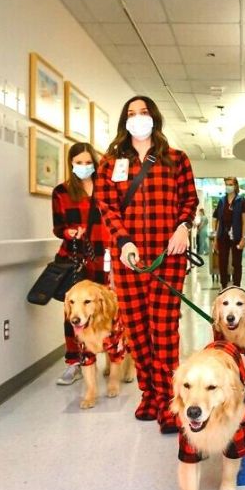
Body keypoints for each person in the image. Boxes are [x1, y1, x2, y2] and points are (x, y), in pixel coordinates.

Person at [94, 95, 198, 434]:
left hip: (167, 255)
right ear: (125, 121)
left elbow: (189, 200)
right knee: (137, 330)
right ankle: (149, 394)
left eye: (144, 113)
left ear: (154, 117)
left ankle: (170, 401)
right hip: (129, 258)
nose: (138, 118)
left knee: (164, 330)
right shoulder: (110, 163)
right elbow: (106, 206)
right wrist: (123, 240)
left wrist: (183, 226)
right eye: (132, 114)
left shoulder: (176, 159)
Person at [51, 142, 112, 386]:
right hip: (74, 259)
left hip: (102, 258)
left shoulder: (106, 189)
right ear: (71, 164)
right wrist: (70, 232)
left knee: (104, 310)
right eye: (79, 163)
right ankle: (74, 362)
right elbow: (58, 227)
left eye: (88, 163)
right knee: (73, 314)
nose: (84, 167)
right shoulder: (62, 192)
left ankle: (110, 356)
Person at [213, 177, 245, 288]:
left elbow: (244, 220)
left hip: (237, 235)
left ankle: (237, 285)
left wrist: (243, 237)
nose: (228, 186)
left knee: (237, 262)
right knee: (222, 261)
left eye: (230, 184)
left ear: (235, 186)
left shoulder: (241, 201)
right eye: (227, 184)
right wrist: (215, 238)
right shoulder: (222, 201)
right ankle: (224, 286)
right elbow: (217, 220)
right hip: (223, 235)